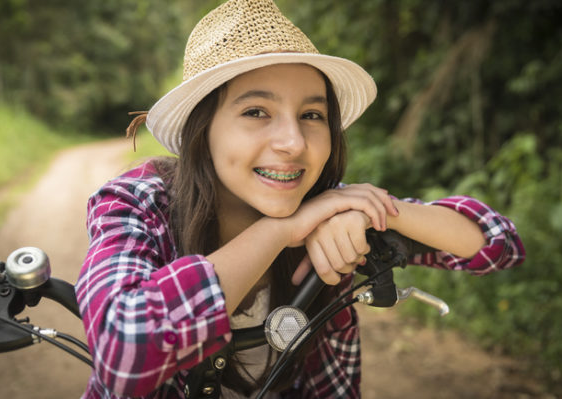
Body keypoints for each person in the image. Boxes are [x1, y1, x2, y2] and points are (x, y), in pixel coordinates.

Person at [75, 0, 525, 398]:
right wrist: (280, 231)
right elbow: (123, 354)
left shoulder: (329, 209)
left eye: (312, 115)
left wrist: (371, 210)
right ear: (202, 130)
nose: (293, 142)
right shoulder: (140, 202)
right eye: (256, 112)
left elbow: (497, 244)